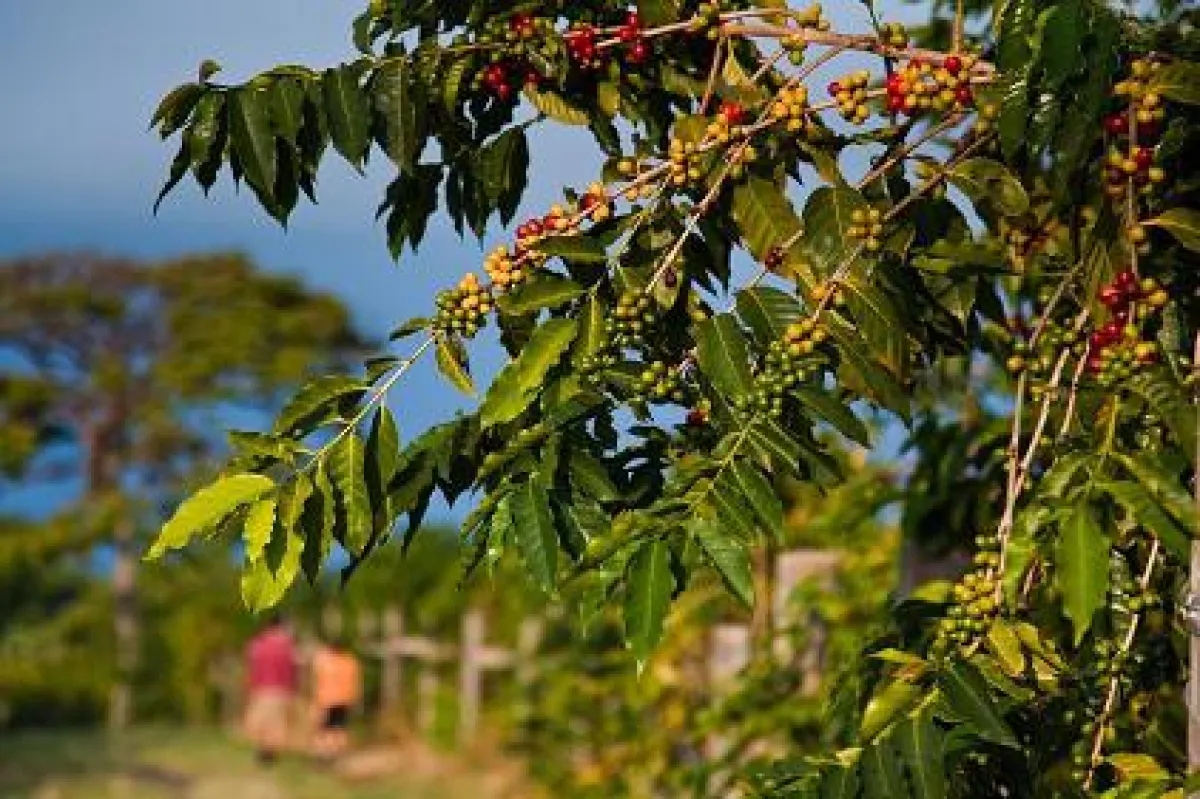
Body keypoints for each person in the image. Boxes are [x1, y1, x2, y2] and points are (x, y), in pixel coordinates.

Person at [243, 613, 297, 765]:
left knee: (261, 723)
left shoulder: (257, 644)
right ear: (281, 626)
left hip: (260, 689)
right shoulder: (287, 645)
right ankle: (269, 755)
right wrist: (292, 691)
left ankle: (262, 752)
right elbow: (290, 671)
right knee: (276, 724)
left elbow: (252, 669)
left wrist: (250, 689)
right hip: (280, 690)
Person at [311, 632, 362, 760]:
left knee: (324, 730)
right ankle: (337, 753)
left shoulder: (325, 661)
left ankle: (323, 755)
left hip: (327, 700)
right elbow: (356, 682)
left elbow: (316, 677)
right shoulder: (351, 661)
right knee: (339, 729)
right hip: (345, 700)